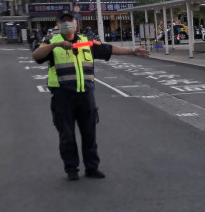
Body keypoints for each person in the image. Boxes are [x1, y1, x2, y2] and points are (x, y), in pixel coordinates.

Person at [32, 12, 149, 181]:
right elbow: (36, 55)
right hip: (62, 95)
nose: (67, 24)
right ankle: (71, 168)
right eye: (63, 21)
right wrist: (54, 46)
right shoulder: (51, 42)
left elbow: (109, 49)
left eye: (70, 20)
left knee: (90, 134)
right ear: (58, 24)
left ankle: (92, 167)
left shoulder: (85, 42)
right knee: (67, 135)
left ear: (76, 23)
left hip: (86, 95)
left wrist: (132, 51)